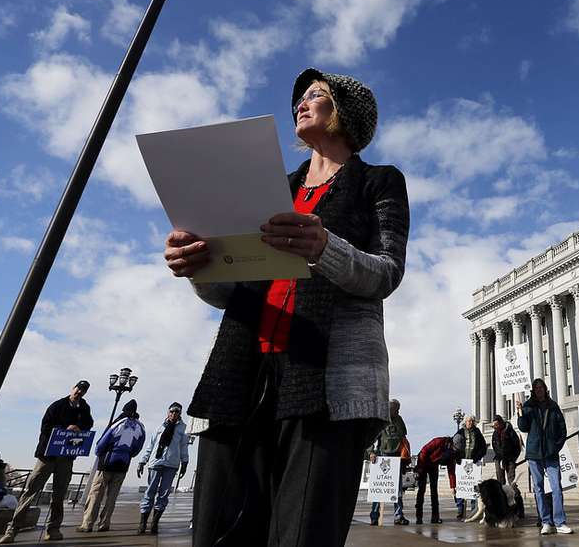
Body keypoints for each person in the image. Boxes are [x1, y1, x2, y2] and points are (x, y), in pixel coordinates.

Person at [164, 68, 409, 547]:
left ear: (346, 112)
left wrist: (323, 246)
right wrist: (197, 266)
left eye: (316, 95)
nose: (300, 102)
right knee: (220, 530)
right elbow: (231, 290)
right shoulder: (272, 187)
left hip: (325, 382)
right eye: (299, 97)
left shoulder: (377, 181)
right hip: (243, 375)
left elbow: (385, 273)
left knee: (302, 532)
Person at [0, 380, 94, 543]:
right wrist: (64, 430)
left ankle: (53, 529)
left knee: (59, 494)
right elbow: (45, 427)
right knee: (31, 490)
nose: (79, 392)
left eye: (83, 390)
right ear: (72, 388)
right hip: (47, 456)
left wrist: (79, 427)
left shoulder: (84, 408)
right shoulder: (57, 405)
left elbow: (88, 424)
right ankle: (12, 529)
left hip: (66, 457)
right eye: (78, 388)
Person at [79, 399, 145, 533]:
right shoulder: (140, 427)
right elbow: (138, 447)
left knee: (96, 494)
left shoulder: (118, 423)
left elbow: (102, 442)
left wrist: (99, 453)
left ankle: (87, 524)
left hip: (107, 463)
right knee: (112, 497)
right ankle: (104, 524)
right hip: (123, 465)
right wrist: (128, 454)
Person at [517, 378, 572, 535]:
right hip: (534, 453)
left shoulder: (553, 406)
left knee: (556, 488)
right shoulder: (528, 406)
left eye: (541, 387)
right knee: (539, 489)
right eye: (536, 387)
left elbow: (562, 429)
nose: (539, 389)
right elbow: (523, 427)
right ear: (533, 390)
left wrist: (556, 446)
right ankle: (546, 521)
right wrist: (520, 413)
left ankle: (560, 521)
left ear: (545, 389)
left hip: (551, 453)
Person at [137, 402, 190, 535]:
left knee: (164, 494)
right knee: (150, 492)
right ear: (168, 412)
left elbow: (184, 446)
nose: (173, 414)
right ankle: (142, 523)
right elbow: (151, 445)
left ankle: (154, 523)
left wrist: (185, 462)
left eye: (176, 412)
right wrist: (143, 461)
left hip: (171, 464)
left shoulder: (183, 429)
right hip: (156, 462)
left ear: (180, 414)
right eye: (171, 411)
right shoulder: (160, 426)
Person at [368, 399, 409, 526]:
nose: (397, 411)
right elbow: (371, 438)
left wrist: (405, 455)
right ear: (389, 408)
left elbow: (403, 437)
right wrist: (371, 452)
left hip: (396, 458)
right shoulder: (381, 419)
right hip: (382, 455)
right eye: (395, 409)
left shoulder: (399, 420)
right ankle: (374, 516)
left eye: (398, 409)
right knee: (379, 489)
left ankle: (398, 515)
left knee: (397, 490)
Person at [452, 414, 488, 520]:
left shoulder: (477, 433)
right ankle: (460, 508)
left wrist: (477, 457)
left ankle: (473, 509)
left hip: (473, 463)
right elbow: (454, 445)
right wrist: (457, 457)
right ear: (465, 422)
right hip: (462, 463)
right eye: (468, 421)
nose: (470, 423)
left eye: (472, 421)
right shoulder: (460, 432)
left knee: (473, 487)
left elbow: (483, 448)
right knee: (461, 486)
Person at [414, 436, 456, 525]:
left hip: (434, 466)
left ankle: (435, 517)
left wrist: (452, 486)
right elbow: (424, 451)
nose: (454, 450)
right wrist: (420, 469)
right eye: (453, 447)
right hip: (423, 461)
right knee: (422, 489)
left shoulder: (452, 453)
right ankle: (419, 516)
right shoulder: (438, 441)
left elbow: (451, 471)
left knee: (434, 491)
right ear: (450, 444)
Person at [491, 414, 522, 490]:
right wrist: (498, 456)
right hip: (499, 458)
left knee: (511, 479)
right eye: (494, 425)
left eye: (496, 424)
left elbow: (517, 446)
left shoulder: (510, 431)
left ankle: (515, 497)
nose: (495, 426)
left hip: (509, 458)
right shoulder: (495, 433)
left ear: (501, 423)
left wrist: (513, 458)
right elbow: (494, 446)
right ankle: (501, 496)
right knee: (500, 478)